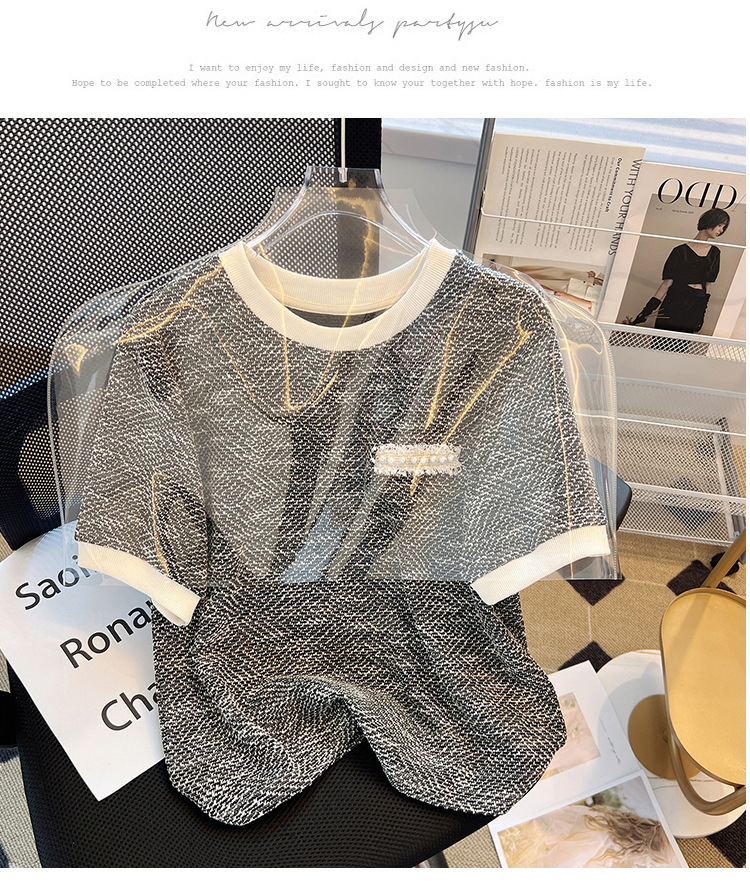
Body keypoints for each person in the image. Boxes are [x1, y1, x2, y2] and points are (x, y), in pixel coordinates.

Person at [623, 208, 730, 334]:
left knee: (681, 345)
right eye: (719, 225)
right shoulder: (679, 251)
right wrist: (645, 312)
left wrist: (701, 313)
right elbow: (666, 284)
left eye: (723, 227)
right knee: (661, 342)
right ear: (710, 221)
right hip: (673, 303)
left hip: (694, 307)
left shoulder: (714, 253)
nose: (721, 230)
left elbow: (708, 285)